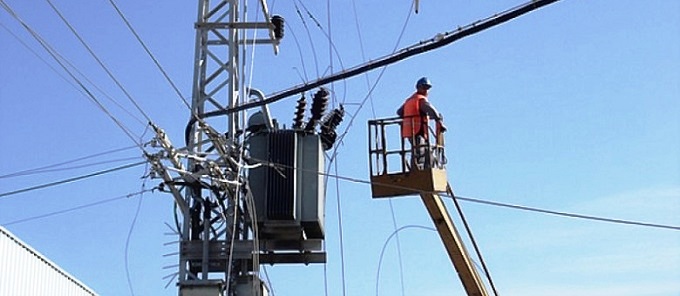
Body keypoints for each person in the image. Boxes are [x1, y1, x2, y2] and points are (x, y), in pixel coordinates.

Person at [396, 77, 447, 169]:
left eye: (427, 88)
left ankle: (426, 167)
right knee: (420, 151)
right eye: (424, 87)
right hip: (417, 130)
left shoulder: (409, 100)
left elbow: (399, 112)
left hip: (410, 131)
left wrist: (406, 118)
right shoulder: (421, 99)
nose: (426, 90)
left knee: (427, 151)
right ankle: (417, 170)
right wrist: (439, 121)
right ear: (418, 88)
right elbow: (431, 110)